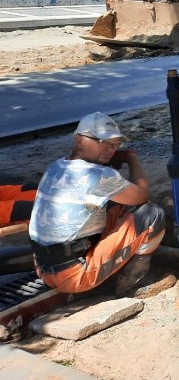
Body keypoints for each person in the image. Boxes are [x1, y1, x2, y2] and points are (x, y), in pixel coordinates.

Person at [28, 112, 165, 295]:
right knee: (152, 214)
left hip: (43, 268)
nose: (111, 149)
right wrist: (131, 158)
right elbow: (142, 195)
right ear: (79, 140)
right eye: (103, 142)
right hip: (74, 276)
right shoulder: (99, 176)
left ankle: (105, 270)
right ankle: (129, 284)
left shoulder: (55, 167)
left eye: (115, 144)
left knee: (117, 206)